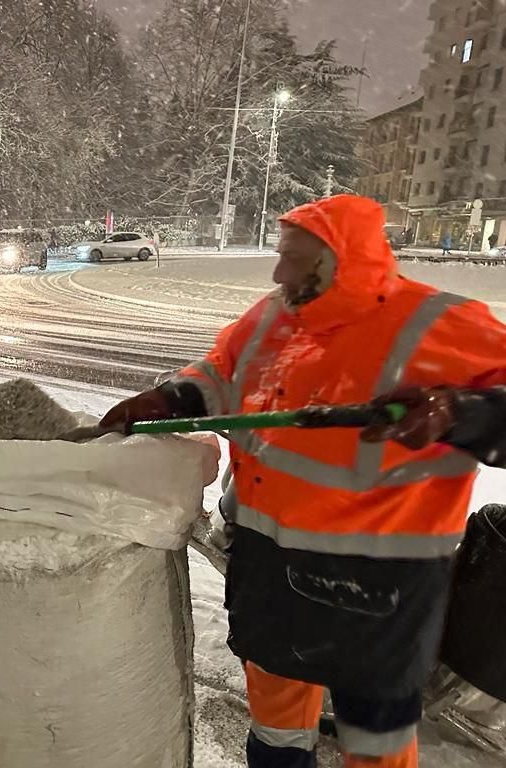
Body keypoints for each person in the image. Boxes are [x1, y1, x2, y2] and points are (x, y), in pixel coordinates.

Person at [100, 194, 506, 768]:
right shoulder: (273, 316)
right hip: (271, 568)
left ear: (337, 261)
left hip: (379, 587)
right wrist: (169, 396)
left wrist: (457, 412)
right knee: (277, 727)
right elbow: (221, 374)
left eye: (292, 258)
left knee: (377, 735)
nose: (276, 271)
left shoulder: (439, 325)